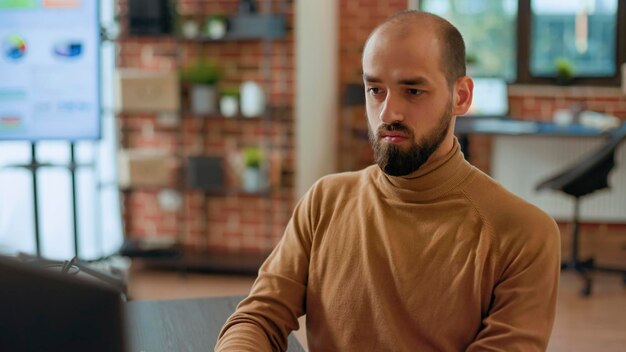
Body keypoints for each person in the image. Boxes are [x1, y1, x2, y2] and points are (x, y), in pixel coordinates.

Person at [215, 10, 560, 352]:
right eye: (375, 89)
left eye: (412, 91)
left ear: (461, 96)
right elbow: (259, 317)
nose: (387, 113)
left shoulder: (524, 234)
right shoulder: (325, 201)